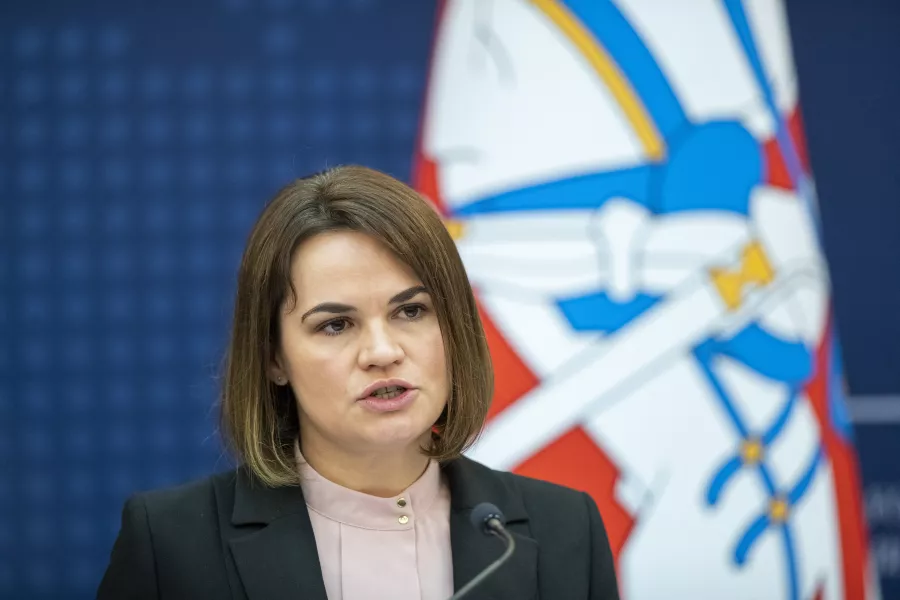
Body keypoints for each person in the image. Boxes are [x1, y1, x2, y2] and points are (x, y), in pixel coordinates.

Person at [97, 165, 620, 600]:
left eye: (411, 311)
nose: (383, 352)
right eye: (335, 324)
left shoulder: (562, 530)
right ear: (274, 358)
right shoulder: (171, 545)